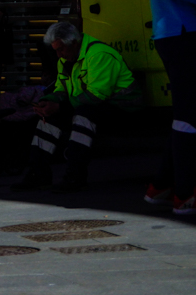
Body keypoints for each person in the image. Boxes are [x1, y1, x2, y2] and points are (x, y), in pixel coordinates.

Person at [11, 21, 141, 193]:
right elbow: (61, 89)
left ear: (74, 43)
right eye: (55, 50)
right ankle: (38, 174)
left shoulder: (99, 54)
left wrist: (59, 107)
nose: (58, 55)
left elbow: (96, 96)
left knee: (83, 115)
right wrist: (48, 101)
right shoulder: (65, 59)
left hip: (123, 109)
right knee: (48, 117)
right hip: (93, 105)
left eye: (61, 49)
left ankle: (75, 176)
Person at [147, 0, 196, 216]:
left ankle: (162, 187)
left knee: (187, 113)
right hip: (181, 34)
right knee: (188, 114)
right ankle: (183, 195)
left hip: (180, 33)